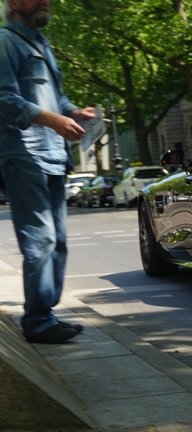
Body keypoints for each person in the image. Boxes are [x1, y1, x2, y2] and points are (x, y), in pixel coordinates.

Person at [0, 0, 95, 343]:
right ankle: (38, 322)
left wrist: (71, 111)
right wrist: (53, 120)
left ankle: (46, 314)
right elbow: (4, 99)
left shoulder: (41, 42)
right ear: (13, 3)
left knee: (58, 242)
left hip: (54, 153)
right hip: (23, 154)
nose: (45, 2)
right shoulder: (5, 41)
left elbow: (56, 96)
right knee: (40, 240)